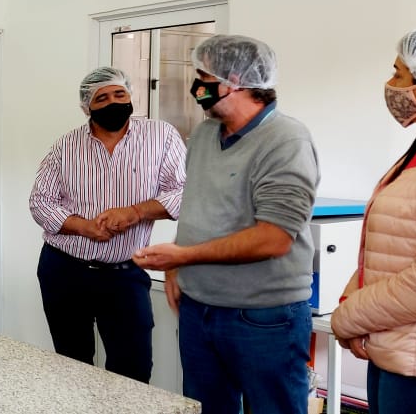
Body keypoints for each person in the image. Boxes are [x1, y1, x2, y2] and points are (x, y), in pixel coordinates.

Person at [134, 35, 319, 414]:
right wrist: (177, 264)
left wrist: (183, 256)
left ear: (234, 81)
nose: (196, 87)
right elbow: (196, 206)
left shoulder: (286, 140)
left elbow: (273, 239)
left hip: (263, 317)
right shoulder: (204, 135)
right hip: (199, 308)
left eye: (203, 77)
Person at [29, 67, 186, 383]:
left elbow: (184, 193)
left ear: (130, 96)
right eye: (102, 98)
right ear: (87, 107)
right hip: (65, 271)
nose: (113, 102)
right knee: (73, 367)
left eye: (119, 94)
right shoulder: (65, 147)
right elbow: (40, 202)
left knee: (133, 371)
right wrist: (84, 227)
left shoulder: (161, 136)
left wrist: (136, 212)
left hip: (125, 274)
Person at [332, 29, 416, 414]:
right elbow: (385, 248)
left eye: (399, 74)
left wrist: (349, 317)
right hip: (394, 350)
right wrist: (351, 299)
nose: (391, 85)